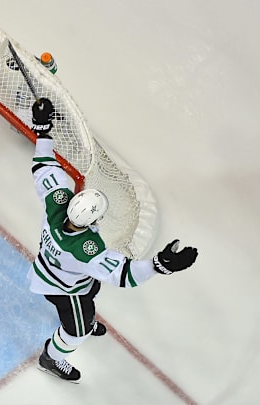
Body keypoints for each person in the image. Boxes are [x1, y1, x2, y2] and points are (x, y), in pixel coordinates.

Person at [27, 97, 199, 383]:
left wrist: (43, 130)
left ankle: (87, 318)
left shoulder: (57, 201)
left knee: (91, 289)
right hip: (65, 290)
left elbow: (43, 166)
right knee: (75, 331)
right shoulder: (86, 250)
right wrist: (161, 264)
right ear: (93, 221)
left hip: (55, 270)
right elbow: (126, 275)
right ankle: (51, 358)